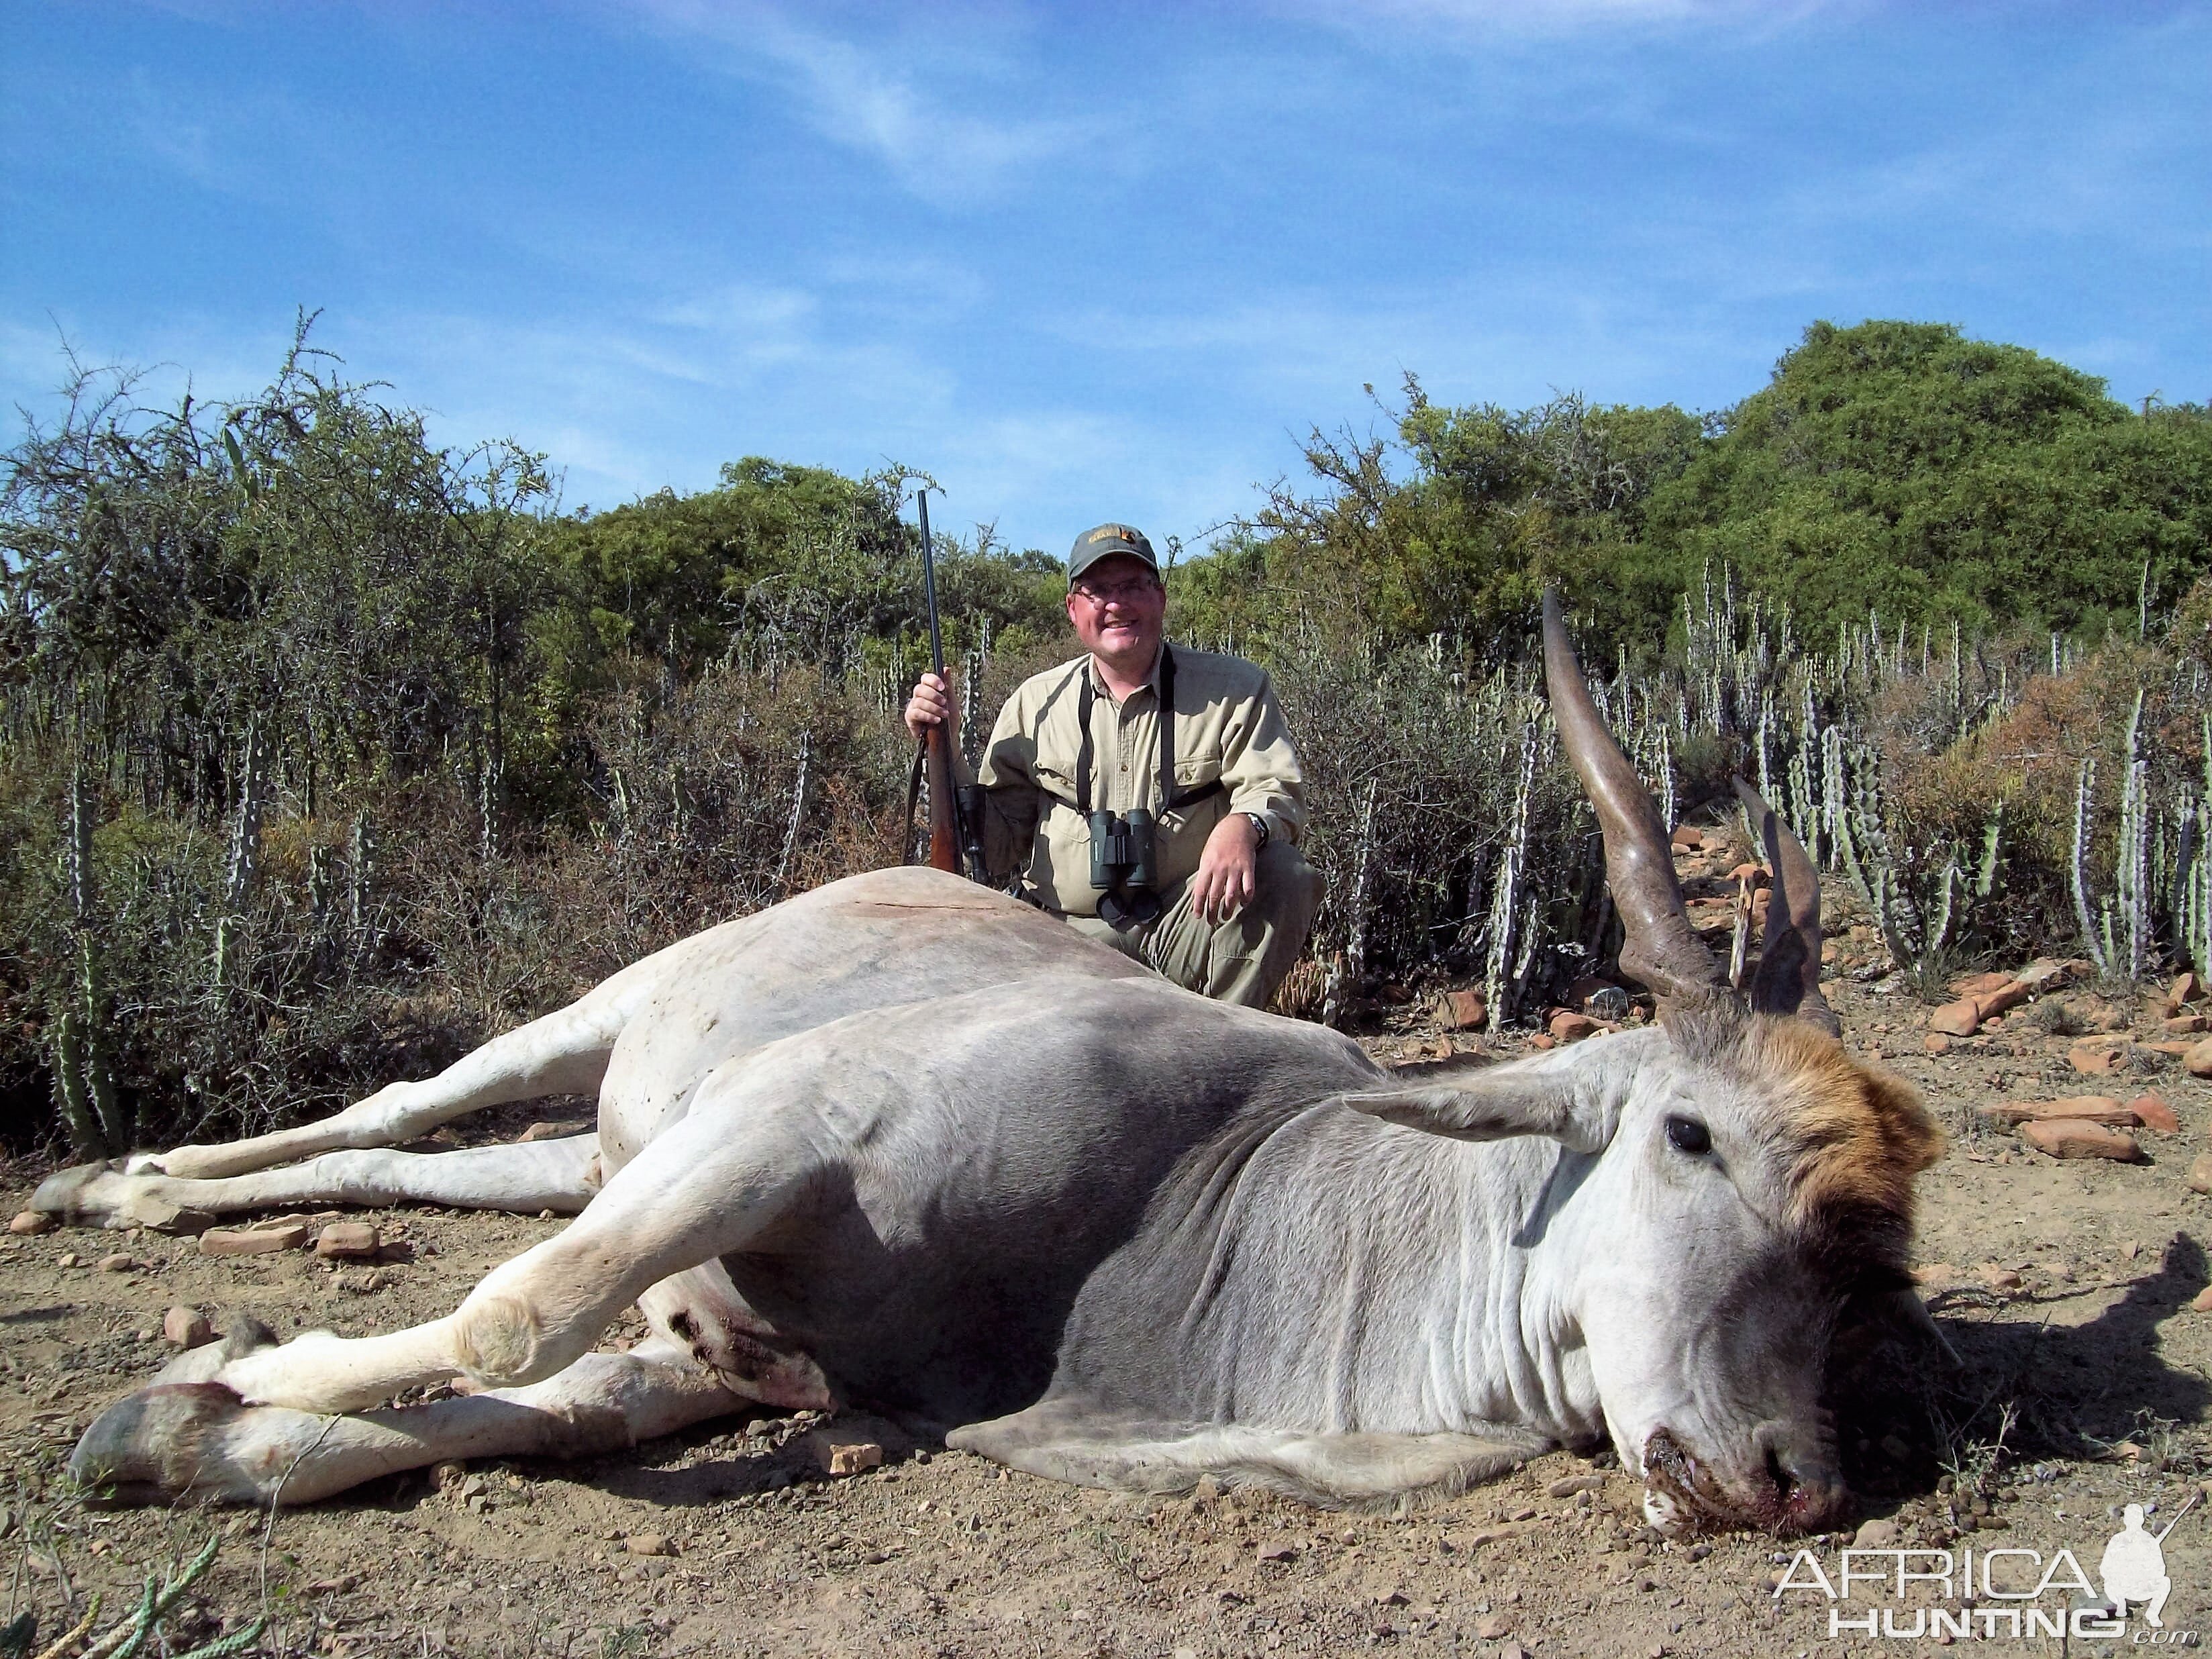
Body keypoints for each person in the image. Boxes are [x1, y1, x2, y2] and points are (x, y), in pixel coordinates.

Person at [905, 522, 1323, 1009]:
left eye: (1132, 587)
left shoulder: (1235, 687)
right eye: (1098, 590)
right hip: (1065, 938)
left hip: (1185, 927)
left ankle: (1209, 1043)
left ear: (1160, 598)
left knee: (1286, 874)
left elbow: (1273, 785)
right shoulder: (1034, 703)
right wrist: (946, 749)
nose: (1116, 604)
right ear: (1073, 609)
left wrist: (1243, 826)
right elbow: (994, 847)